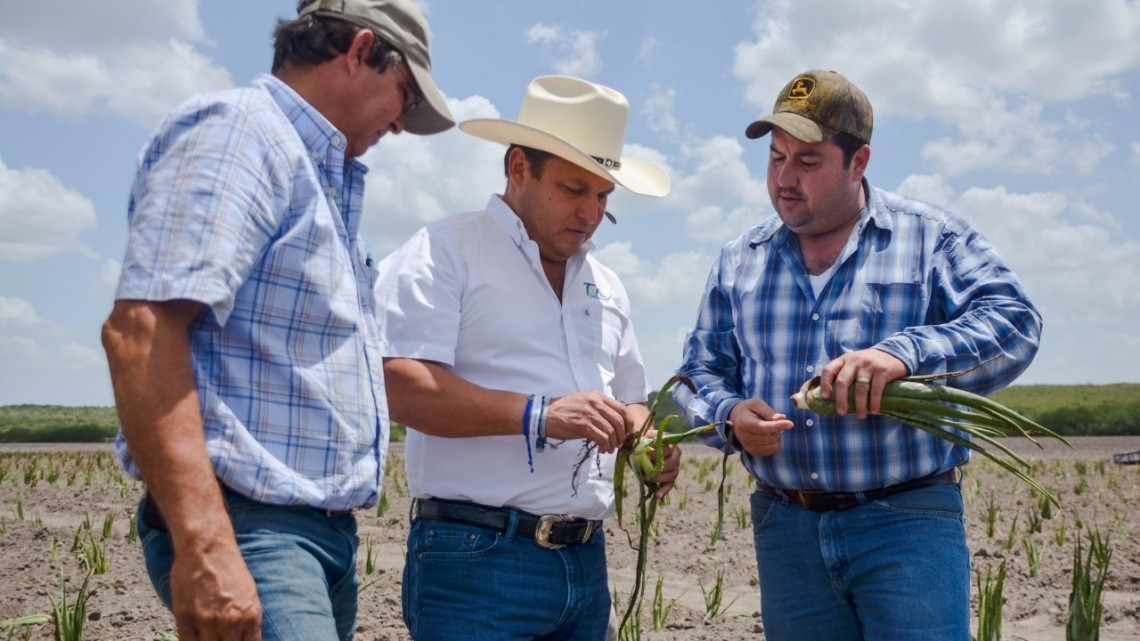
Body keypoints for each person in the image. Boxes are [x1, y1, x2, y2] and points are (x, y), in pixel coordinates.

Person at [100, 1, 453, 639]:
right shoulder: (241, 134)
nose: (401, 124)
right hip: (254, 530)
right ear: (358, 51)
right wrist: (206, 549)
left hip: (315, 538)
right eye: (403, 93)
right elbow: (141, 331)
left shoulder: (317, 176)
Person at [672, 69, 1042, 641]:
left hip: (906, 522)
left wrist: (905, 355)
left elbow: (1015, 323)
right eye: (775, 159)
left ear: (859, 161)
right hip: (786, 525)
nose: (785, 179)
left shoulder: (928, 238)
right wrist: (728, 418)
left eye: (809, 162)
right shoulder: (738, 259)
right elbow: (697, 375)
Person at [376, 74, 680, 641]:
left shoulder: (607, 283)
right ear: (519, 167)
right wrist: (540, 414)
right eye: (573, 188)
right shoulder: (447, 251)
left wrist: (646, 440)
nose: (591, 212)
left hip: (585, 565)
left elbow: (631, 397)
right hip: (474, 558)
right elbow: (401, 384)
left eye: (603, 195)